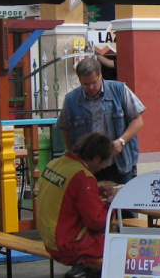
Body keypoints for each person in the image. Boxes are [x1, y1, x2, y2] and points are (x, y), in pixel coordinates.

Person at [36, 132, 118, 278]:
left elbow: (67, 190)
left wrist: (93, 187)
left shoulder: (57, 163)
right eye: (105, 161)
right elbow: (97, 222)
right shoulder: (83, 177)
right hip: (69, 244)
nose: (105, 166)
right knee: (123, 253)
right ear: (97, 158)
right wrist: (112, 204)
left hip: (50, 237)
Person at [57, 57, 145, 185]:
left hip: (118, 163)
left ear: (100, 75)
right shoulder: (71, 99)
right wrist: (73, 155)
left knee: (120, 201)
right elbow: (65, 129)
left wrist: (122, 141)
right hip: (88, 165)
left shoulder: (119, 90)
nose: (91, 87)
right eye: (85, 84)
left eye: (94, 82)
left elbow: (138, 120)